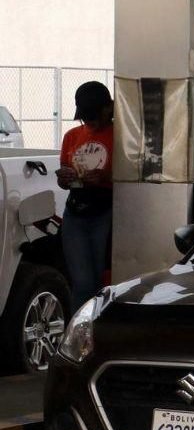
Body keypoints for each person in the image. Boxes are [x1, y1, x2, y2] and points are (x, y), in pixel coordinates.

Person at [56, 81, 115, 311]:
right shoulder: (72, 136)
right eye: (85, 117)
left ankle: (100, 328)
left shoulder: (120, 135)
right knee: (82, 282)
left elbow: (131, 176)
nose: (88, 122)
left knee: (103, 280)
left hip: (106, 211)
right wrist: (65, 178)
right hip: (76, 211)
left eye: (93, 117)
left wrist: (104, 177)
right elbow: (63, 182)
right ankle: (79, 334)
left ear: (108, 109)